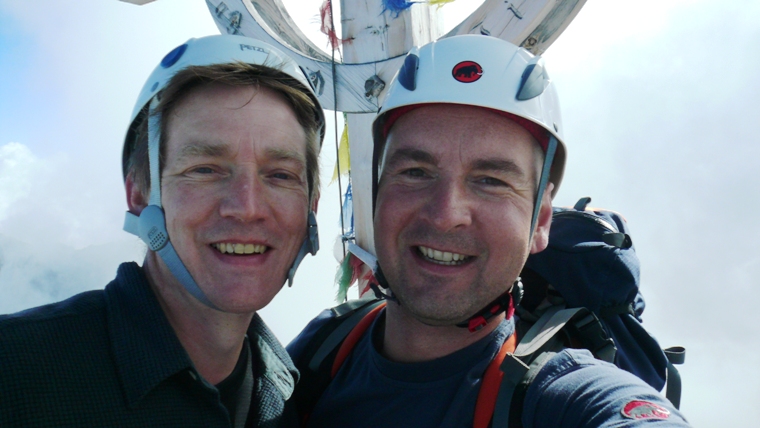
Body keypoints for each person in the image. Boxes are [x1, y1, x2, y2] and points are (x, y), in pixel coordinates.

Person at [287, 35, 690, 427]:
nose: (446, 215)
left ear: (541, 222)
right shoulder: (330, 342)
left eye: (491, 181)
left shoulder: (563, 397)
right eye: (415, 172)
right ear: (375, 194)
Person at [0, 34, 324, 427]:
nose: (247, 207)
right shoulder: (16, 372)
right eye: (204, 169)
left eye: (280, 175)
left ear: (311, 208)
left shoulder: (289, 389)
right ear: (139, 194)